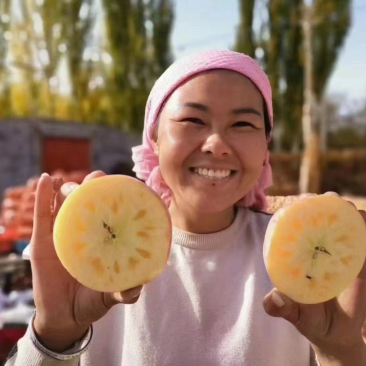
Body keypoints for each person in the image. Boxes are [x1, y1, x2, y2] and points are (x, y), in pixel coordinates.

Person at [5, 50, 366, 366]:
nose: (216, 143)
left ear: (265, 146)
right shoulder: (88, 268)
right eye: (193, 120)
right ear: (154, 138)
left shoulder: (308, 266)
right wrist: (52, 337)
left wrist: (343, 352)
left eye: (242, 124)